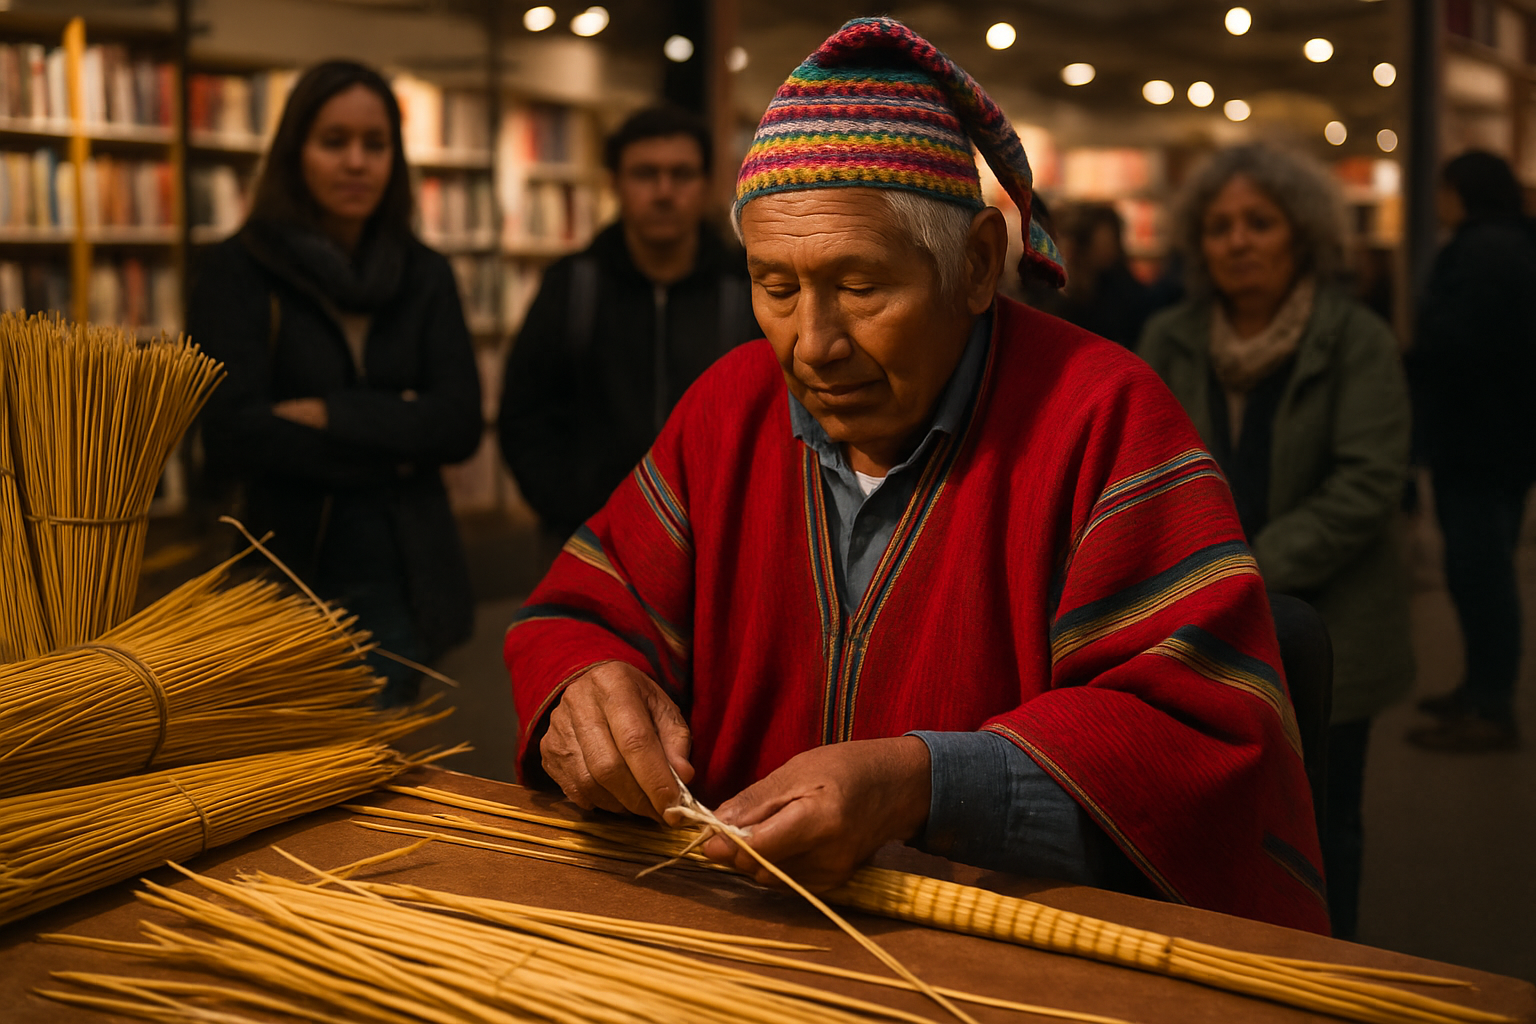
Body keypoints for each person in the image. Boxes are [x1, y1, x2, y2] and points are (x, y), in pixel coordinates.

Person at [505, 19, 1328, 934]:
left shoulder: (1102, 420)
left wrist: (922, 785)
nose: (812, 346)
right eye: (775, 288)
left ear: (976, 264)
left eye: (860, 287)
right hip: (732, 935)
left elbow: (1199, 742)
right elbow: (579, 612)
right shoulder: (727, 410)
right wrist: (587, 687)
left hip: (995, 962)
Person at [1138, 144, 1413, 940]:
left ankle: (1329, 974)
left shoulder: (1354, 339)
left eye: (1260, 221)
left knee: (1325, 824)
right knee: (1205, 819)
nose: (1239, 241)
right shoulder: (1169, 336)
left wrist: (1237, 571)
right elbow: (1140, 468)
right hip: (1197, 630)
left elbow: (1365, 485)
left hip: (1331, 628)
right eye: (1220, 225)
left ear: (1302, 235)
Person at [189, 61, 481, 706]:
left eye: (374, 145)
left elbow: (459, 423)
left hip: (403, 565)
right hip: (282, 563)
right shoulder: (237, 272)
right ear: (296, 153)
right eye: (334, 141)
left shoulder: (424, 272)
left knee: (394, 769)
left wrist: (330, 413)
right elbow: (232, 433)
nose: (356, 162)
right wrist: (399, 435)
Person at [498, 105, 761, 542]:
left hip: (722, 544)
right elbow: (524, 413)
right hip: (593, 540)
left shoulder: (745, 288)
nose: (663, 191)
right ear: (615, 182)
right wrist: (570, 510)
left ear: (706, 184)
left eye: (681, 174)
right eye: (645, 174)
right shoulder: (574, 285)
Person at [1407, 150, 1536, 752]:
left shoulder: (1481, 251)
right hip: (1506, 439)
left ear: (1463, 191)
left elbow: (1459, 343)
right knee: (1485, 569)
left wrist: (1412, 360)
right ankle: (1482, 688)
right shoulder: (1515, 243)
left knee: (1481, 573)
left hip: (1479, 441)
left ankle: (1490, 704)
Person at [1057, 203, 1152, 347]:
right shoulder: (1061, 291)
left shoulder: (1121, 288)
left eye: (1111, 241)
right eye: (1104, 242)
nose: (1109, 248)